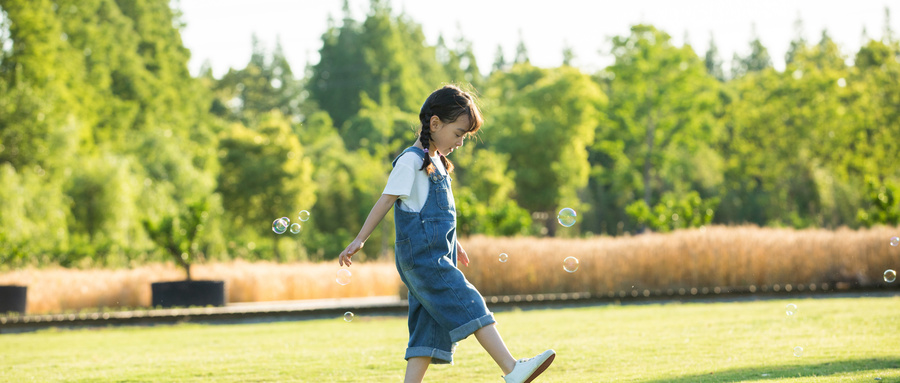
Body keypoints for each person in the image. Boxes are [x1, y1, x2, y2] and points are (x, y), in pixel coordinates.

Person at [338, 85, 555, 383]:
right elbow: (386, 200)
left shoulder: (438, 163)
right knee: (470, 302)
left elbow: (437, 217)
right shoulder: (411, 161)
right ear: (435, 123)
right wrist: (359, 239)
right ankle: (512, 369)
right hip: (424, 260)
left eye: (465, 136)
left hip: (437, 255)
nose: (461, 142)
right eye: (458, 133)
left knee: (425, 328)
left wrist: (457, 244)